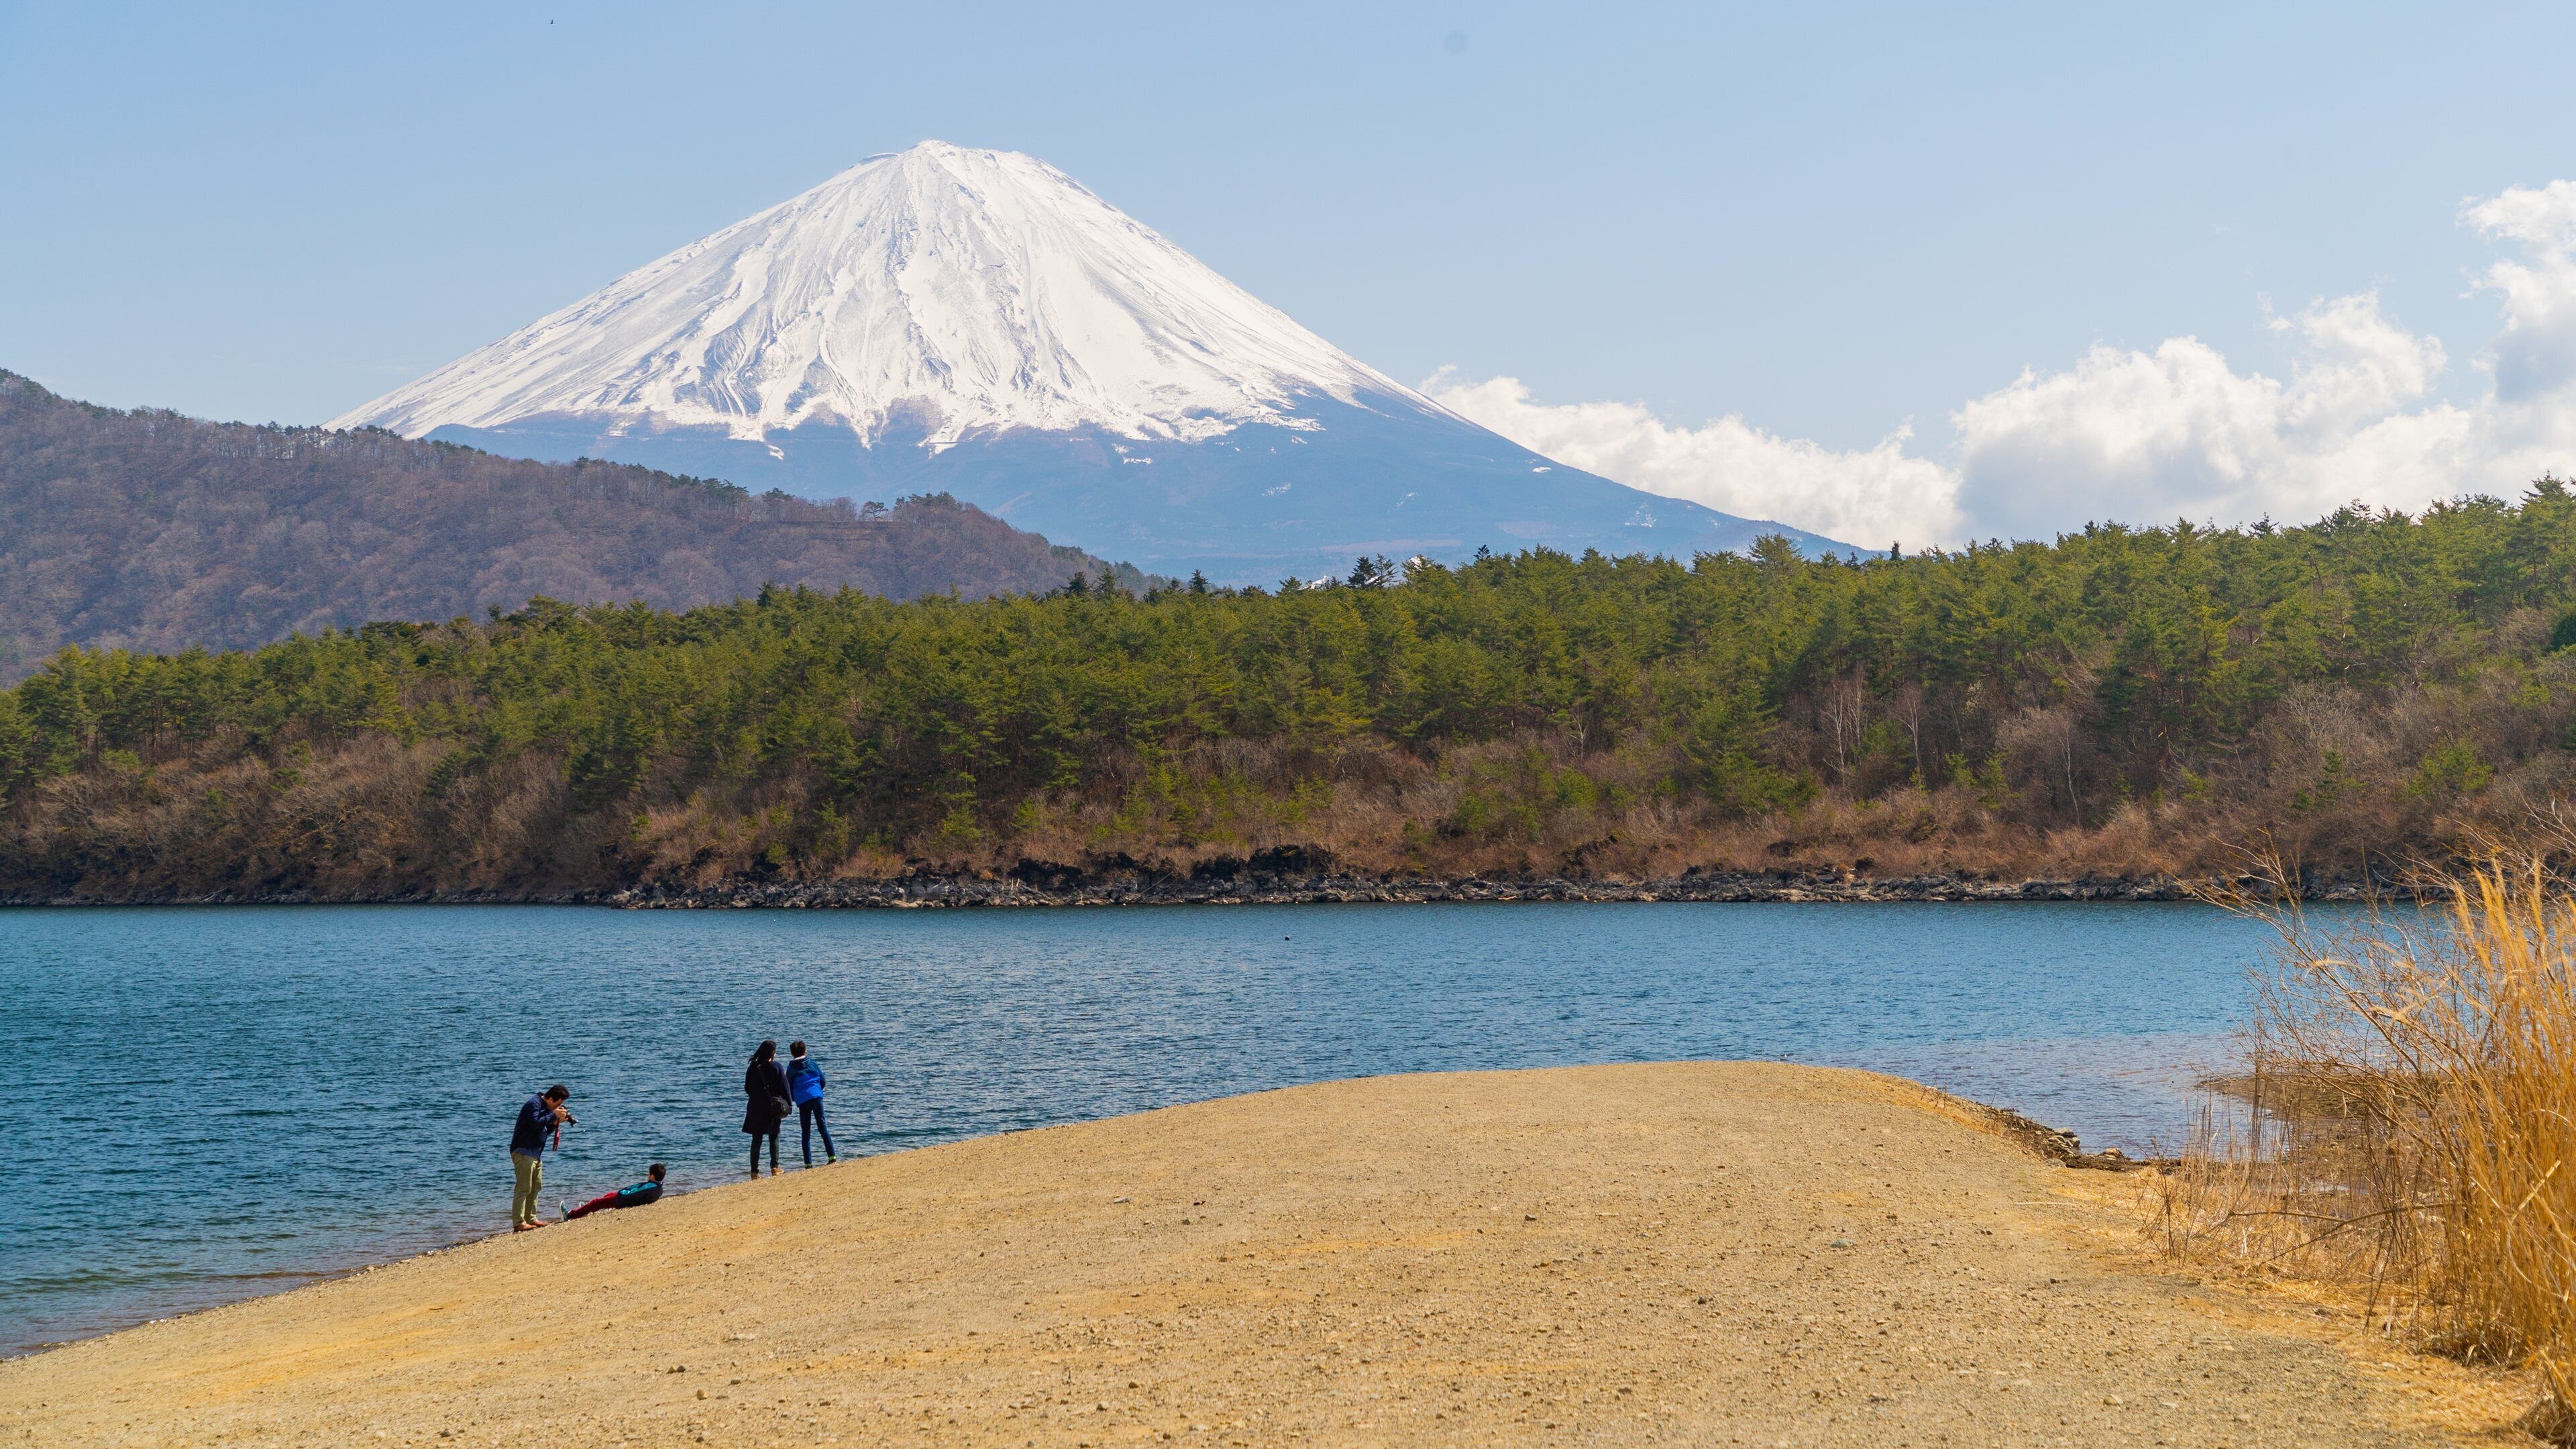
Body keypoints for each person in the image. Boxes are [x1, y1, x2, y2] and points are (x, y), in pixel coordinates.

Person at [508, 1083, 574, 1232]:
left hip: (535, 1153)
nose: (559, 1107)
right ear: (551, 1099)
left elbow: (542, 1129)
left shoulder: (544, 1107)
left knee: (536, 1187)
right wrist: (553, 1115)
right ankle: (519, 1222)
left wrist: (555, 1122)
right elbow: (535, 1123)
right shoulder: (534, 1104)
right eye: (559, 1104)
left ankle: (530, 1218)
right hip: (524, 1151)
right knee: (523, 1188)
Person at [743, 1040, 790, 1177]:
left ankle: (754, 1171)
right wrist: (788, 1105)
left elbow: (747, 1088)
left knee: (756, 1139)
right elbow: (785, 1088)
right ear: (772, 1053)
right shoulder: (776, 1067)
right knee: (774, 1136)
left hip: (755, 1106)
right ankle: (775, 1167)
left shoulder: (752, 1068)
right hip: (772, 1107)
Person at [787, 1040, 835, 1167]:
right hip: (816, 1097)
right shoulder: (813, 1064)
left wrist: (795, 1098)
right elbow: (823, 1080)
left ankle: (808, 1164)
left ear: (792, 1054)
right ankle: (832, 1157)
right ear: (805, 1051)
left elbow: (788, 1087)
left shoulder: (791, 1069)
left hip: (803, 1101)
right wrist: (818, 1091)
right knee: (823, 1128)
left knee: (806, 1132)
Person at [563, 1163, 666, 1220]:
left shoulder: (649, 1186)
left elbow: (634, 1192)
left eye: (649, 1174)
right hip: (628, 1199)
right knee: (608, 1196)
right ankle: (586, 1209)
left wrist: (621, 1193)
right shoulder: (659, 1188)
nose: (648, 1175)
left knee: (597, 1202)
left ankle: (570, 1215)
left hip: (623, 1200)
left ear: (652, 1176)